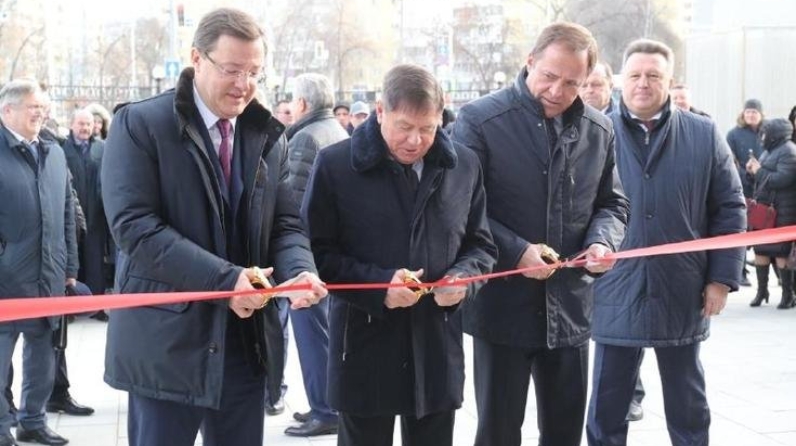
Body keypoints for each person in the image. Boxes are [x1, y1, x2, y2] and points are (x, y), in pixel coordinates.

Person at [100, 8, 327, 446]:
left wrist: (300, 269)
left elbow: (284, 224)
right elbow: (135, 228)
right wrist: (227, 281)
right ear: (196, 59)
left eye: (255, 72)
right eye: (232, 69)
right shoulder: (142, 124)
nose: (244, 84)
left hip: (244, 345)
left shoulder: (266, 134)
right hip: (167, 345)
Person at [451, 22, 629, 446]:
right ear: (530, 61)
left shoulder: (599, 129)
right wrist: (515, 251)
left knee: (564, 432)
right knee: (498, 431)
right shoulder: (481, 120)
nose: (557, 91)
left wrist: (602, 241)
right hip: (502, 308)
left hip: (569, 306)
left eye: (572, 83)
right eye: (549, 76)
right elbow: (459, 207)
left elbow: (613, 203)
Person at [302, 63, 497, 446]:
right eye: (404, 127)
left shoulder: (462, 165)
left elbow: (482, 245)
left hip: (435, 343)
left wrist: (464, 278)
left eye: (428, 128)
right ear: (380, 111)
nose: (415, 140)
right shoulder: (336, 165)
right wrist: (379, 287)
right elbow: (316, 253)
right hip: (364, 343)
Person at [585, 39, 746, 446]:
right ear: (622, 80)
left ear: (670, 81)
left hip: (683, 287)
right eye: (635, 75)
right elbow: (575, 209)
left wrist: (721, 278)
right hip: (614, 286)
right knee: (607, 403)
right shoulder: (595, 131)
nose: (643, 83)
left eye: (654, 75)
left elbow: (729, 206)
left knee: (687, 400)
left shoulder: (702, 133)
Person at [0, 79, 77, 446]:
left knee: (43, 359)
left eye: (44, 107)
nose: (42, 113)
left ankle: (33, 421)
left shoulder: (54, 152)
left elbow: (67, 212)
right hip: (5, 282)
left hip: (49, 277)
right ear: (7, 110)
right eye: (34, 107)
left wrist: (70, 268)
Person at [282, 73, 348, 437]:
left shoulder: (306, 137)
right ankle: (324, 403)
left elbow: (291, 204)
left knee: (312, 335)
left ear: (303, 104)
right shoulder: (336, 130)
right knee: (325, 335)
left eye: (293, 102)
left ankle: (325, 409)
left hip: (309, 258)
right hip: (331, 251)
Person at [745, 118, 796, 309]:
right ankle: (761, 291)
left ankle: (787, 294)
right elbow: (763, 179)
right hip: (765, 210)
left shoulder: (789, 150)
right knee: (760, 250)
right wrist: (751, 171)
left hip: (782, 210)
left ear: (776, 134)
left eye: (766, 132)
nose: (763, 136)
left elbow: (782, 179)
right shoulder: (769, 150)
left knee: (781, 252)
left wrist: (758, 172)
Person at [727, 98, 766, 287]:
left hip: (764, 187)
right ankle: (740, 271)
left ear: (761, 115)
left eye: (755, 112)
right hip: (742, 187)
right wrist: (747, 173)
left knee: (762, 229)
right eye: (748, 111)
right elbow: (730, 161)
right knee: (742, 229)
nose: (751, 115)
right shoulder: (734, 134)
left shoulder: (766, 132)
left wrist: (761, 172)